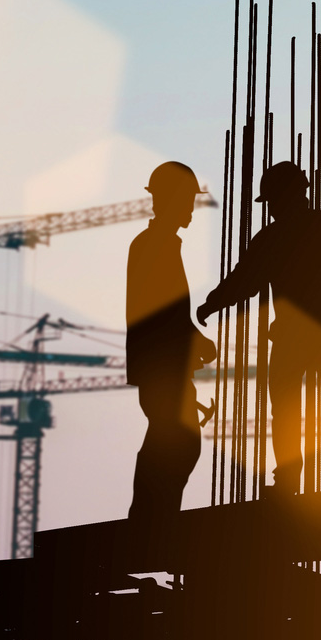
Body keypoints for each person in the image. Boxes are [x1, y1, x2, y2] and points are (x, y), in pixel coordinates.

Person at [196, 160, 321, 495]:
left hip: (297, 335)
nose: (272, 209)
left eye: (273, 201)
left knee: (289, 408)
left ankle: (291, 479)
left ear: (282, 197)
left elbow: (244, 281)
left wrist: (213, 303)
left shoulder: (276, 237)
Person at [127, 161, 216, 525]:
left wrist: (192, 342)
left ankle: (153, 518)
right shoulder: (155, 245)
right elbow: (160, 310)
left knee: (172, 441)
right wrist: (196, 340)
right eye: (187, 201)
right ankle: (150, 520)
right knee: (175, 442)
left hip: (164, 367)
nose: (191, 209)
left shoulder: (158, 244)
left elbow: (167, 311)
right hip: (161, 366)